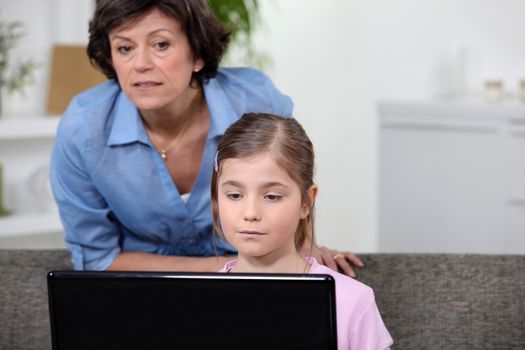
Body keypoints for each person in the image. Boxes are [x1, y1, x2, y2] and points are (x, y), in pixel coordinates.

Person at [50, 0, 362, 274]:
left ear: (197, 54)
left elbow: (287, 190)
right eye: (125, 48)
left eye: (161, 45)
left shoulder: (256, 101)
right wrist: (223, 269)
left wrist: (303, 247)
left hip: (252, 277)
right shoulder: (83, 128)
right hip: (142, 286)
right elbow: (97, 259)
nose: (141, 64)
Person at [212, 113, 393, 349]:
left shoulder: (351, 300)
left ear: (306, 202)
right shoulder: (196, 299)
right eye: (234, 195)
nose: (250, 213)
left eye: (272, 196)